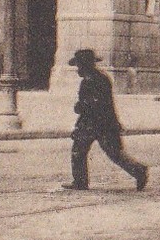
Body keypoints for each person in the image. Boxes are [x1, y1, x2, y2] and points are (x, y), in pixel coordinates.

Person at [64, 49, 149, 192]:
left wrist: (80, 107)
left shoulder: (93, 81)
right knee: (97, 152)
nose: (77, 69)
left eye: (79, 65)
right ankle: (138, 171)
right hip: (100, 122)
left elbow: (96, 104)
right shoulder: (98, 78)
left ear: (85, 65)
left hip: (97, 123)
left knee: (94, 152)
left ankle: (139, 171)